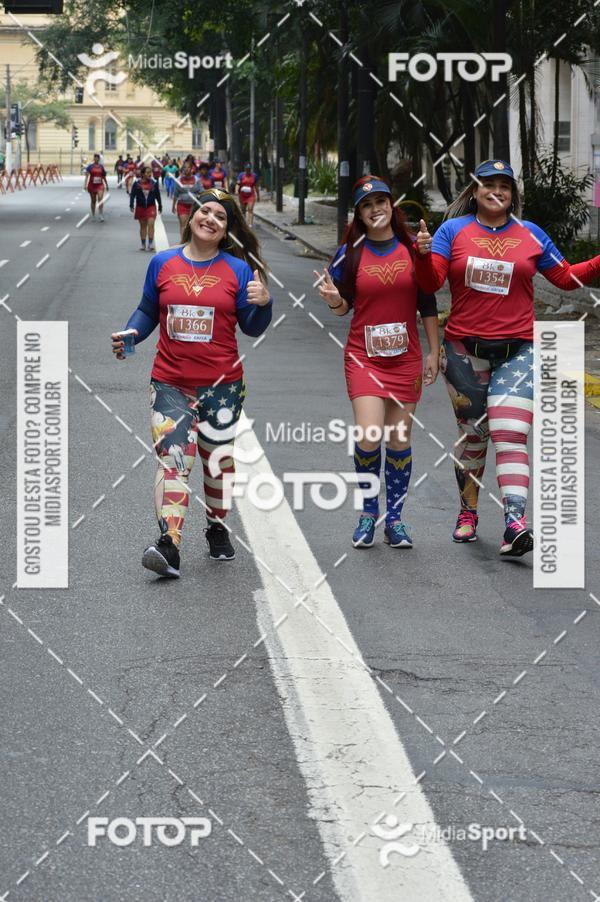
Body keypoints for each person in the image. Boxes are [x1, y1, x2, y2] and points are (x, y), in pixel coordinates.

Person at [414, 158, 600, 557]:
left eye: (505, 185)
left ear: (513, 194)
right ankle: (469, 512)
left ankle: (515, 523)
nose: (496, 191)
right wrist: (423, 254)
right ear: (476, 190)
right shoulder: (452, 231)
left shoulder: (530, 235)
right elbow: (430, 282)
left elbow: (566, 278)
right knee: (474, 435)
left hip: (519, 350)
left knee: (510, 432)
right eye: (488, 184)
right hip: (464, 353)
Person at [111, 188, 274, 576]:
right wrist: (132, 334)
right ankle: (170, 544)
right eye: (205, 210)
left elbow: (252, 328)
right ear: (191, 216)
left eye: (220, 216)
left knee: (216, 462)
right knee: (173, 461)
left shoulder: (238, 270)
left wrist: (264, 303)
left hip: (223, 387)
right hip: (170, 383)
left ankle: (217, 527)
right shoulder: (163, 263)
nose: (210, 219)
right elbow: (148, 309)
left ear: (227, 229)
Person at [316, 175, 439, 549]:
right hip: (363, 357)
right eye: (367, 206)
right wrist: (333, 299)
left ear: (392, 207)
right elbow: (342, 309)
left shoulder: (412, 249)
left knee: (399, 438)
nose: (375, 210)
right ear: (359, 214)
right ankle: (369, 514)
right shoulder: (349, 253)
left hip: (406, 358)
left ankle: (395, 520)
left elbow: (427, 301)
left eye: (381, 203)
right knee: (370, 434)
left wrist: (435, 351)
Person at [129, 164, 162, 251]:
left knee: (151, 224)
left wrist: (160, 205)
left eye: (150, 172)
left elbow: (158, 195)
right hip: (141, 207)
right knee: (143, 226)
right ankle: (143, 244)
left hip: (151, 206)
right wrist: (131, 205)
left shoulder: (154, 183)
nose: (149, 174)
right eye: (147, 173)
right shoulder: (137, 183)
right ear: (142, 174)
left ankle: (150, 244)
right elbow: (132, 195)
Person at [172, 160, 202, 242]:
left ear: (192, 169)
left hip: (194, 206)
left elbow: (202, 192)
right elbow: (175, 194)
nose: (186, 169)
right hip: (182, 205)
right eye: (185, 167)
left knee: (192, 225)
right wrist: (173, 206)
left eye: (188, 167)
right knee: (183, 224)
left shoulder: (197, 180)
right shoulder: (178, 179)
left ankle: (191, 241)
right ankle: (183, 241)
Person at [84, 153, 108, 221]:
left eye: (97, 158)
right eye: (95, 158)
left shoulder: (101, 167)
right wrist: (85, 185)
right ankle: (93, 215)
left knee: (100, 199)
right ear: (94, 158)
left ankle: (100, 214)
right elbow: (86, 176)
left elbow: (103, 176)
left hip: (100, 185)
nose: (96, 159)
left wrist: (106, 184)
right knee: (93, 200)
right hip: (92, 185)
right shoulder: (90, 166)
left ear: (99, 159)